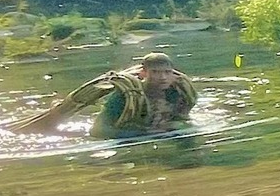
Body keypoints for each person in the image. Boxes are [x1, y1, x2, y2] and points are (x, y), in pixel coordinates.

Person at [15, 52, 200, 137]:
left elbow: (182, 118)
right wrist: (143, 133)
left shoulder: (176, 94)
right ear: (144, 73)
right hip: (130, 132)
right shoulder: (126, 96)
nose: (163, 77)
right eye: (156, 72)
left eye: (167, 72)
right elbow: (97, 130)